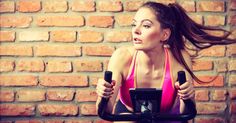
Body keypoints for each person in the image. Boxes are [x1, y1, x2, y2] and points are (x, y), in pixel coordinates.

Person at [96, 1, 235, 123]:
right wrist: (103, 96)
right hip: (129, 115)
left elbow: (185, 113)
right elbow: (105, 110)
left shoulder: (179, 58)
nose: (135, 31)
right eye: (134, 24)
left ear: (164, 35)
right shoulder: (121, 57)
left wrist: (188, 97)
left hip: (167, 117)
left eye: (145, 26)